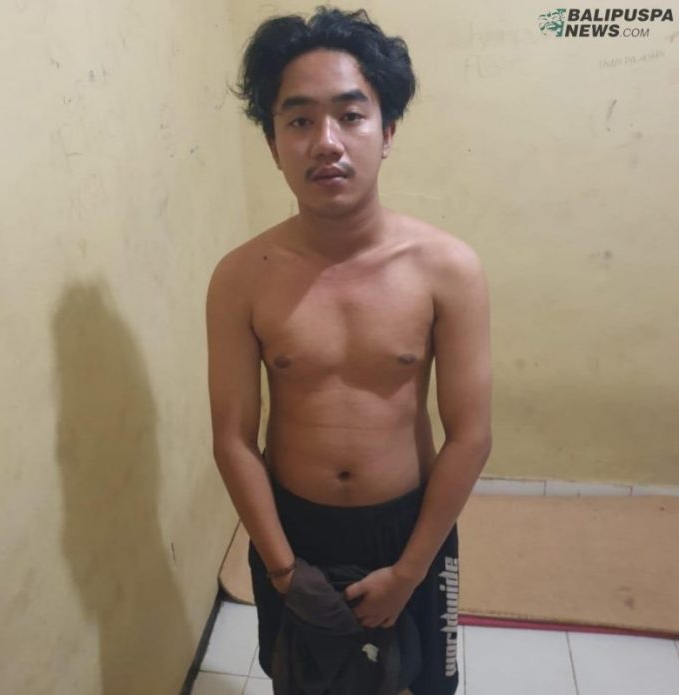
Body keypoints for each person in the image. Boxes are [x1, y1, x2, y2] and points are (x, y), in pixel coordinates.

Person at [206, 7, 492, 694]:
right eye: (299, 120)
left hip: (408, 528)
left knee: (423, 682)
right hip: (293, 531)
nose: (325, 142)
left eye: (351, 115)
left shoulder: (447, 269)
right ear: (273, 143)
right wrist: (283, 571)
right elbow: (233, 439)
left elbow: (471, 435)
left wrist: (410, 571)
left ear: (386, 131)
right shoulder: (241, 277)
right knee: (303, 679)